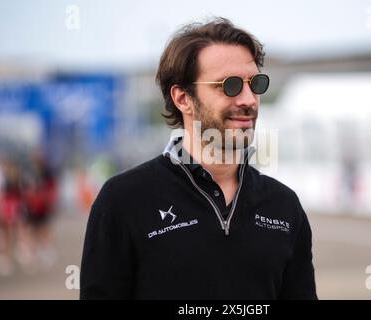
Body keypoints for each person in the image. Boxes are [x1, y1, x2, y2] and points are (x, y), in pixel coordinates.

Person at [80, 17, 317, 300]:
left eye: (255, 84)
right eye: (229, 86)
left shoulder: (284, 206)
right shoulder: (123, 200)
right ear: (183, 98)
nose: (248, 99)